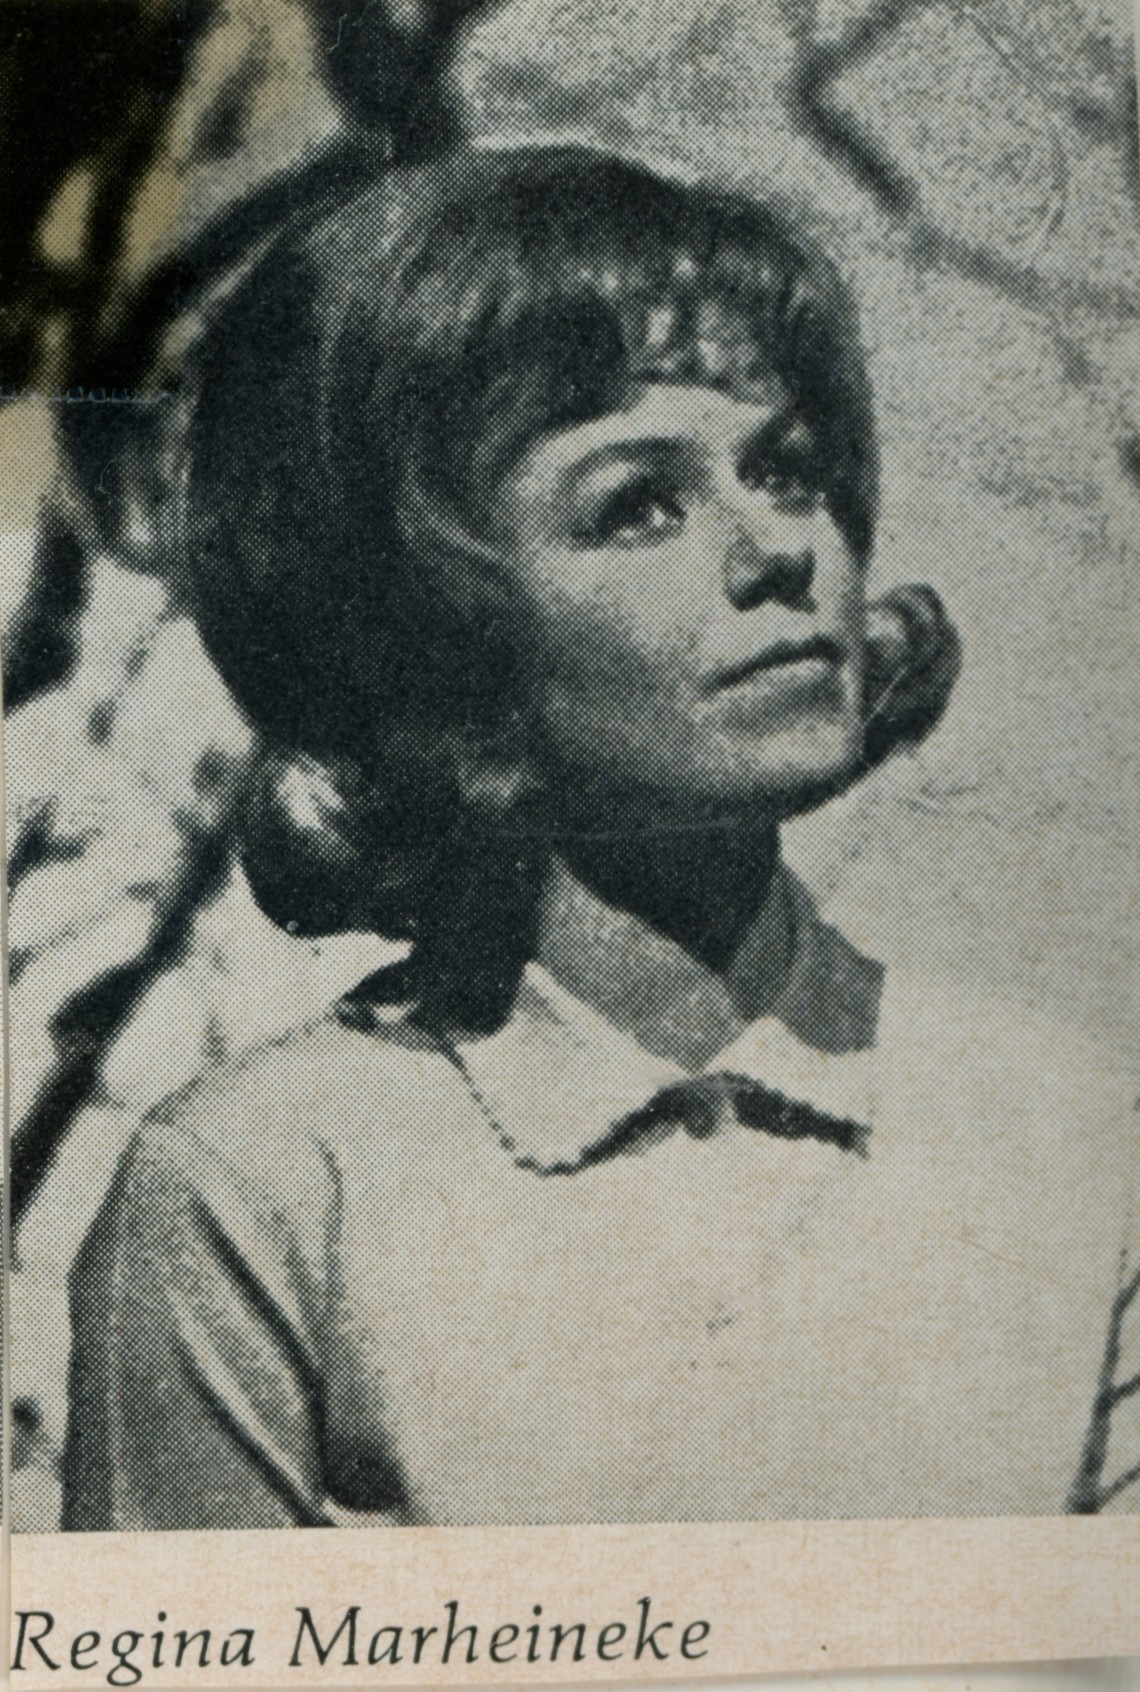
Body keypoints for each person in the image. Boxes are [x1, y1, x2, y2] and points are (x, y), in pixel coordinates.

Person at [62, 145, 1137, 1531]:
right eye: (640, 504)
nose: (781, 551)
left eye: (789, 471)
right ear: (434, 636)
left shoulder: (1068, 1131)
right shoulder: (262, 1184)